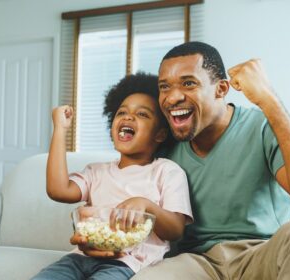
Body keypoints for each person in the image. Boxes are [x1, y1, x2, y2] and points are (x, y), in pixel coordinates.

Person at [121, 42, 290, 279]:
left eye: (189, 83)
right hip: (196, 263)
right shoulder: (163, 141)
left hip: (262, 254)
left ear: (221, 89)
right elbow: (117, 184)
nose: (173, 97)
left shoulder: (261, 126)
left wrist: (268, 100)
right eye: (164, 87)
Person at [32, 73, 194, 280]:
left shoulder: (167, 172)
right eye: (121, 112)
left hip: (128, 264)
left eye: (142, 114)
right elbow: (58, 190)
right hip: (79, 258)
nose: (128, 117)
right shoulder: (96, 172)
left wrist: (146, 205)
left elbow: (175, 230)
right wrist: (60, 130)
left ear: (160, 134)